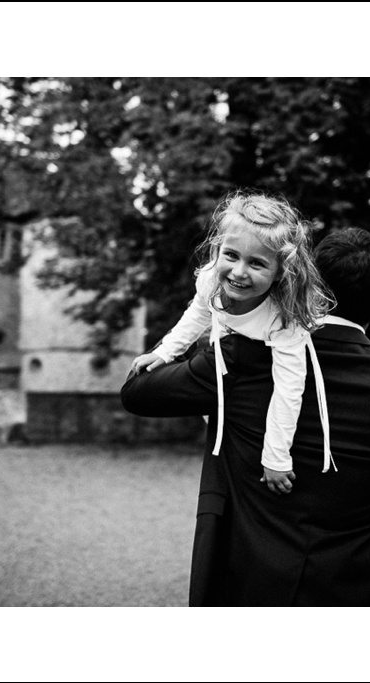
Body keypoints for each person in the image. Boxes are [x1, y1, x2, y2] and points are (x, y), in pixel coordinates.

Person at [122, 226, 370, 606]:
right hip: (369, 580)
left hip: (253, 578)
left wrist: (198, 349)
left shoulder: (243, 355)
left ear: (298, 281)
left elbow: (138, 393)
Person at [130, 192, 334, 496]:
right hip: (227, 362)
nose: (239, 272)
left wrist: (276, 457)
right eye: (231, 255)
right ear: (218, 248)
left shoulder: (284, 316)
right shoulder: (212, 278)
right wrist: (165, 351)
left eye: (256, 263)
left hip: (266, 374)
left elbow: (290, 387)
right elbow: (197, 314)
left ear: (280, 272)